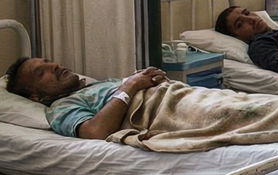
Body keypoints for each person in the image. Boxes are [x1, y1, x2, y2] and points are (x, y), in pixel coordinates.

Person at [5, 57, 167, 139]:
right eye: (41, 73)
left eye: (48, 62)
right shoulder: (62, 107)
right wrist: (130, 86)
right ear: (36, 96)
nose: (53, 66)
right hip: (161, 110)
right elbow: (95, 132)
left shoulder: (94, 86)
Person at [214, 7, 278, 75]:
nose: (251, 19)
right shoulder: (259, 45)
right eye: (240, 24)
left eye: (247, 13)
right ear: (237, 37)